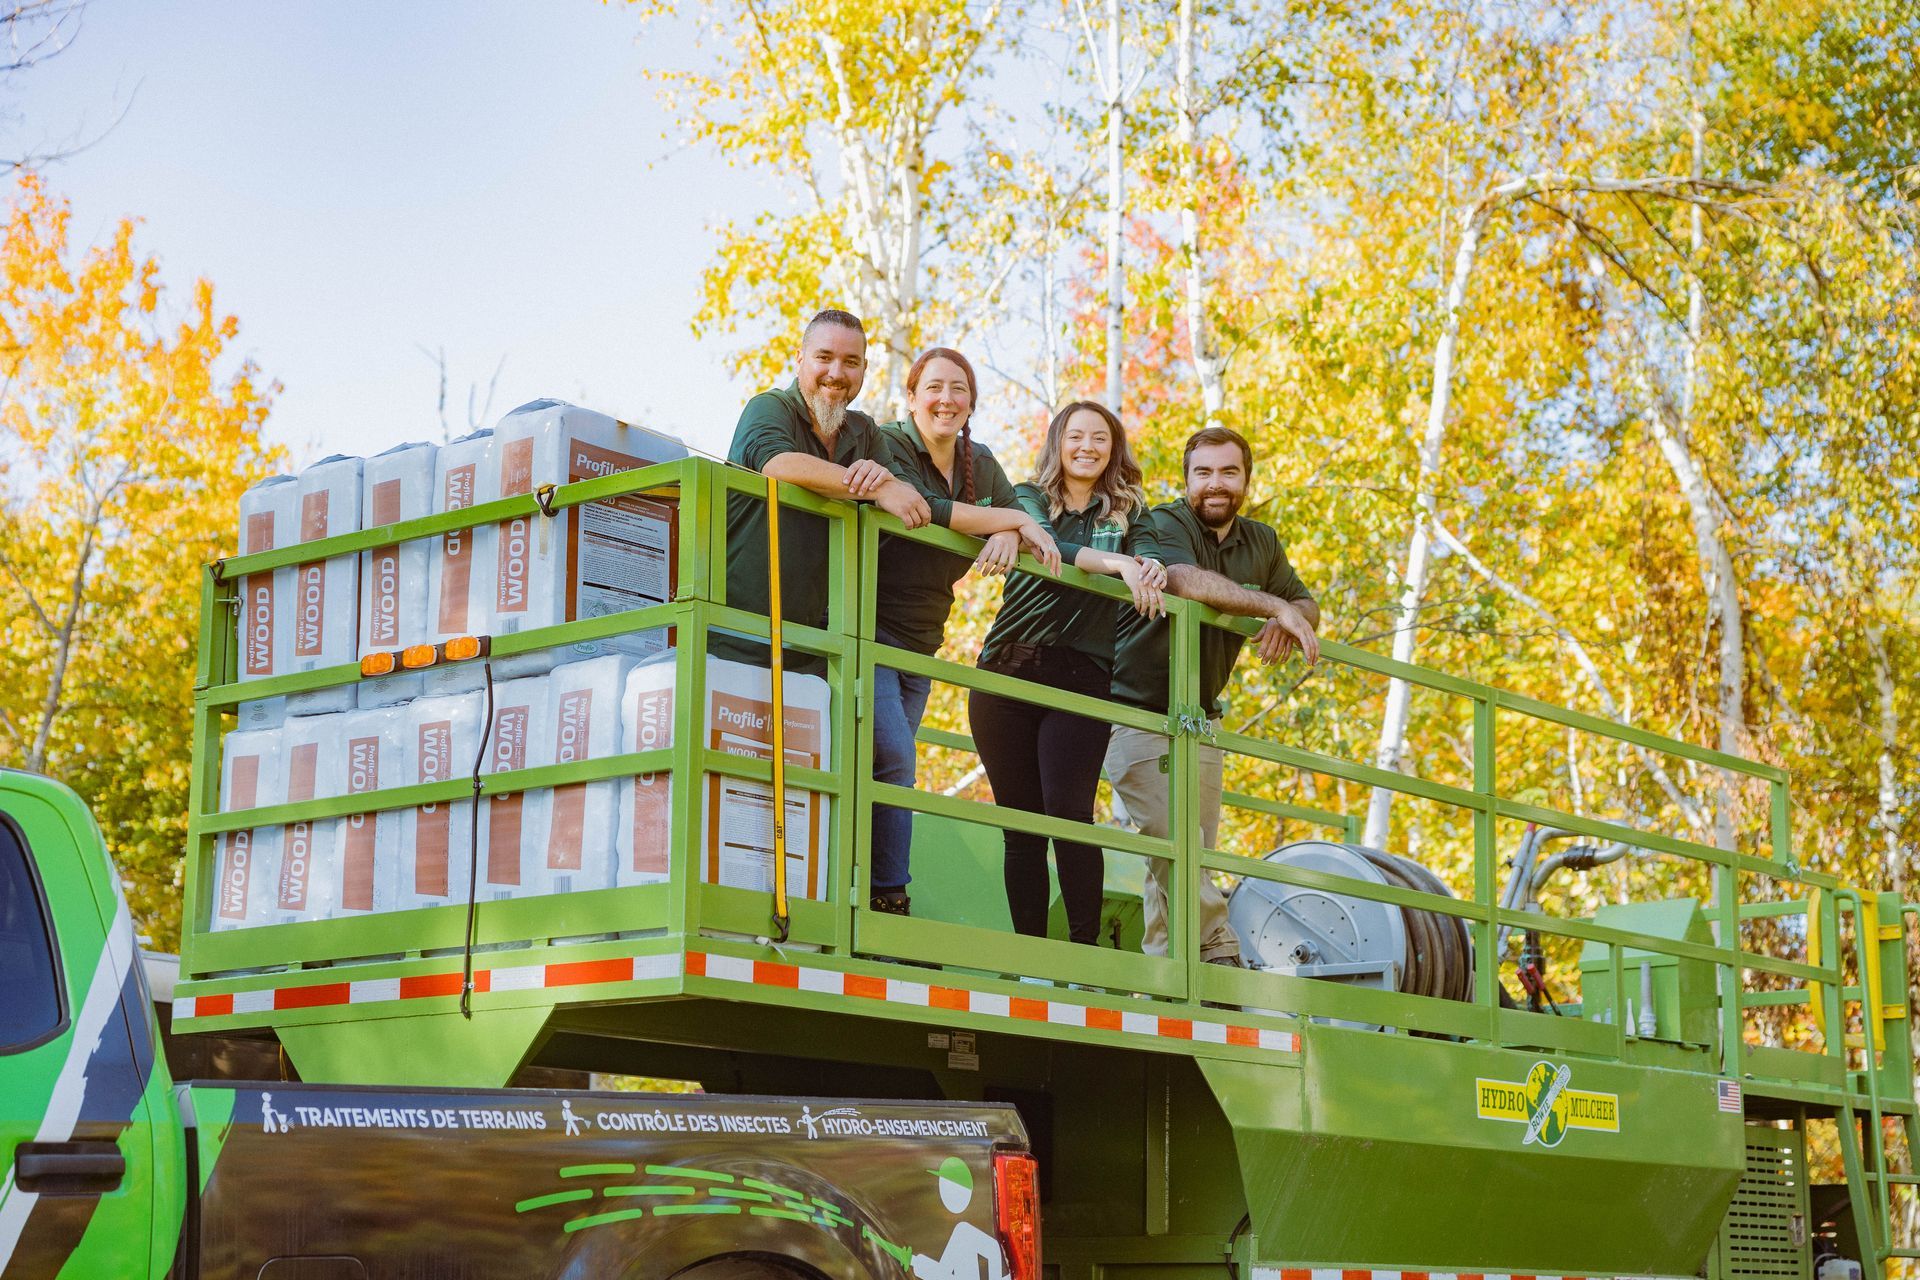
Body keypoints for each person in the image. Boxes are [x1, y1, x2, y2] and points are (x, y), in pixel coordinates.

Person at [1105, 425, 1321, 968]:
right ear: (1186, 480)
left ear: (1246, 478)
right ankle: (1221, 951)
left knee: (1176, 863)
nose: (1216, 483)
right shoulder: (1165, 519)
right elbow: (1182, 580)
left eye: (1229, 471)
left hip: (1200, 718)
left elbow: (1307, 602)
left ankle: (1161, 980)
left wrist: (1288, 614)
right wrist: (1273, 608)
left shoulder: (1261, 541)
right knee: (1174, 843)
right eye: (1203, 473)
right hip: (1133, 707)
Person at [868, 347, 1062, 917]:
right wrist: (1012, 521)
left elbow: (1012, 506)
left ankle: (874, 891)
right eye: (934, 387)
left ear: (971, 403)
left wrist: (1008, 528)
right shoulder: (890, 444)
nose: (946, 400)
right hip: (865, 625)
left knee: (886, 766)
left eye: (959, 390)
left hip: (922, 639)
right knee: (893, 760)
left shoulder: (979, 461)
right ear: (911, 396)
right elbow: (923, 508)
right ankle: (888, 898)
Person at [967, 401, 1165, 946]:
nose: (1087, 447)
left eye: (1099, 438)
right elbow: (1052, 545)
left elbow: (1149, 559)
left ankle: (1083, 954)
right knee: (1022, 826)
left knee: (1069, 813)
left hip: (1083, 674)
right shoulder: (1027, 498)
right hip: (1008, 667)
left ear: (1113, 449)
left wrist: (1145, 564)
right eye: (1075, 436)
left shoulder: (1130, 514)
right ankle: (1032, 953)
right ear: (1058, 443)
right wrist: (1115, 563)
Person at [714, 308, 932, 672]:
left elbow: (906, 494)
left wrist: (886, 485)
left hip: (818, 650)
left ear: (864, 369)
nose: (836, 373)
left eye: (850, 362)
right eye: (824, 357)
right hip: (736, 635)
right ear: (800, 359)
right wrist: (872, 489)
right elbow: (779, 464)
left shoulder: (865, 431)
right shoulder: (768, 408)